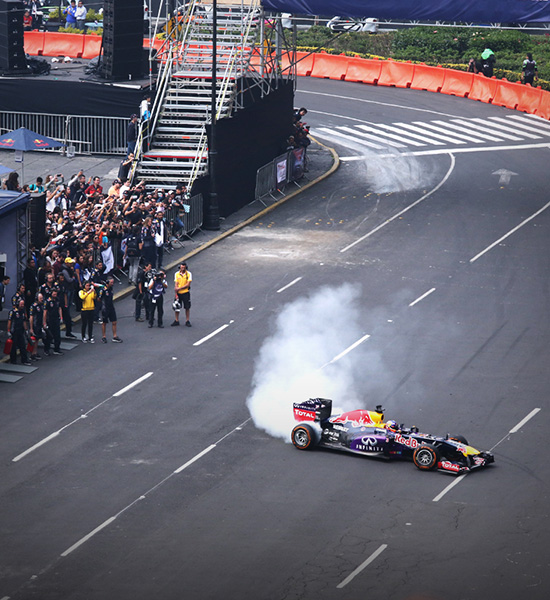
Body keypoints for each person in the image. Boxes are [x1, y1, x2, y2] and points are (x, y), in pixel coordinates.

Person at [7, 299, 31, 365]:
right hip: (14, 331)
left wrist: (26, 330)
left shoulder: (22, 311)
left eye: (23, 304)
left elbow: (24, 321)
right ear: (18, 304)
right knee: (13, 347)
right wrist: (8, 331)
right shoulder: (13, 312)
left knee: (22, 346)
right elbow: (9, 321)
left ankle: (24, 360)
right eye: (21, 304)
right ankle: (13, 360)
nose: (22, 305)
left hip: (21, 331)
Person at [100, 277, 122, 343]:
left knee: (114, 322)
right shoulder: (103, 290)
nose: (112, 284)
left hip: (111, 307)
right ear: (107, 283)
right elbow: (99, 298)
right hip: (105, 308)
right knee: (104, 323)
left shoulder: (111, 289)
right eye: (111, 282)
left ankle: (114, 336)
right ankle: (104, 336)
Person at [43, 288, 63, 356]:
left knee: (57, 335)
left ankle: (57, 349)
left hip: (56, 319)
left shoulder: (57, 299)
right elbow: (45, 312)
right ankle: (46, 350)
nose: (55, 295)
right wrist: (44, 322)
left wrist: (61, 317)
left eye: (56, 294)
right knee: (49, 336)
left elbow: (59, 308)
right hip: (50, 320)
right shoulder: (48, 301)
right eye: (54, 294)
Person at [171, 261, 192, 327]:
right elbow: (176, 284)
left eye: (184, 266)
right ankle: (176, 320)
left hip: (185, 293)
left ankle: (187, 320)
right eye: (181, 266)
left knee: (187, 307)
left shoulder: (188, 274)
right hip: (179, 293)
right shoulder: (176, 274)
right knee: (177, 307)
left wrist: (179, 288)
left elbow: (188, 284)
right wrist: (176, 294)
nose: (182, 267)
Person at [29, 292, 45, 360]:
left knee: (37, 339)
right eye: (40, 298)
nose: (42, 299)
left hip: (39, 324)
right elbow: (31, 317)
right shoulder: (34, 306)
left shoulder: (41, 305)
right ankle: (32, 354)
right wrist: (31, 328)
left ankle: (35, 352)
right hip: (35, 325)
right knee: (34, 340)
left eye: (42, 298)